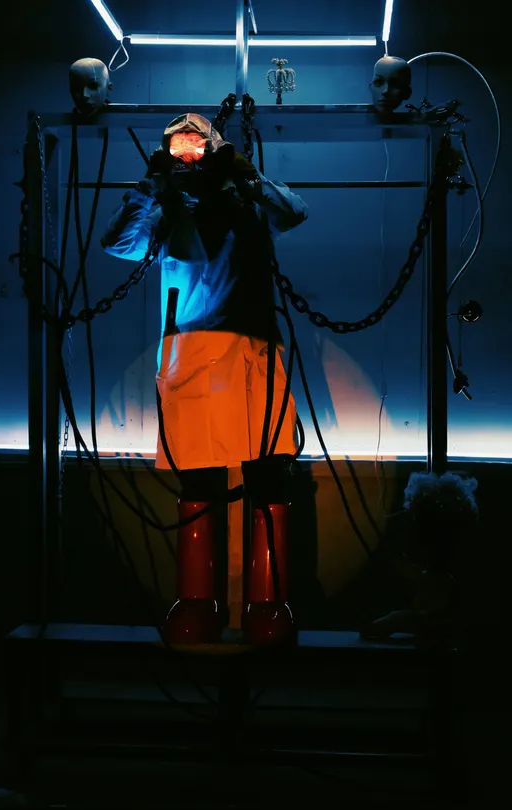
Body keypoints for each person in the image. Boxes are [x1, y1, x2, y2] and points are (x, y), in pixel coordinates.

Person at [101, 113, 308, 645]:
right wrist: (148, 189)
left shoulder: (247, 202)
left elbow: (293, 211)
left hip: (252, 352)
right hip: (190, 355)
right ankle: (196, 603)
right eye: (179, 149)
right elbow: (118, 244)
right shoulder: (166, 210)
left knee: (268, 474)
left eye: (197, 147)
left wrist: (247, 176)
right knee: (198, 478)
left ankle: (268, 605)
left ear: (215, 152)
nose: (189, 158)